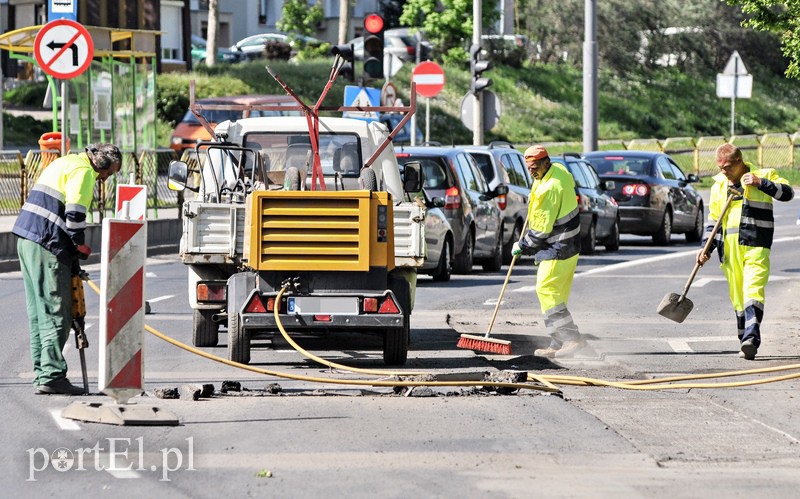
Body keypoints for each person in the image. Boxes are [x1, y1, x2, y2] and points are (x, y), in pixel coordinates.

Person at [13, 143, 122, 394]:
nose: (105, 179)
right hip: (47, 244)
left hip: (27, 240)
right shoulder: (84, 172)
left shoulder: (65, 162)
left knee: (39, 313)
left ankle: (43, 372)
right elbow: (74, 213)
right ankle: (51, 376)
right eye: (108, 173)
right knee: (56, 312)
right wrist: (78, 246)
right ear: (100, 164)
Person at [698, 143, 794, 360]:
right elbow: (714, 221)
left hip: (756, 245)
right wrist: (706, 248)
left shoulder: (762, 175)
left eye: (727, 167)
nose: (723, 171)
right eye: (720, 167)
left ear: (739, 161)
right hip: (729, 251)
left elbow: (788, 194)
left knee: (753, 290)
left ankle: (752, 337)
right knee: (738, 298)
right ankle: (744, 340)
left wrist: (762, 183)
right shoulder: (718, 186)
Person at [512, 145, 584, 358]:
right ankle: (557, 342)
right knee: (556, 296)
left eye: (535, 167)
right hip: (570, 246)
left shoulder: (549, 188)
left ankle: (571, 338)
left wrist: (522, 245)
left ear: (546, 162)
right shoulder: (559, 170)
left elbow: (541, 231)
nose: (532, 172)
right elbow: (567, 183)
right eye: (528, 168)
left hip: (557, 247)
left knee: (545, 290)